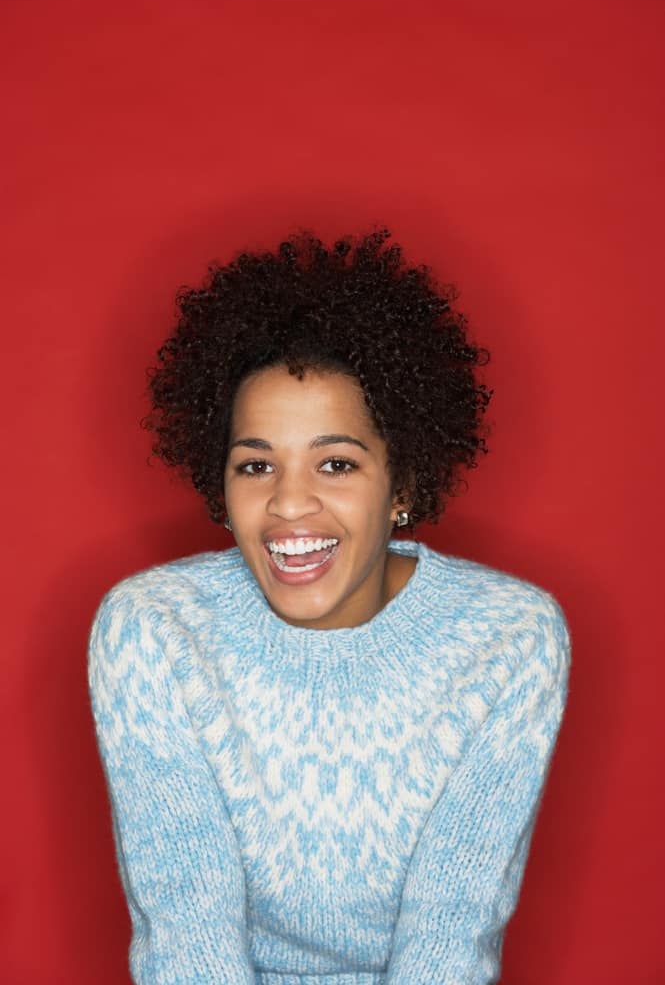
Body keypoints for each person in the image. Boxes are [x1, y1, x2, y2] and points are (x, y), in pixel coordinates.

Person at [87, 229, 571, 985]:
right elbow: (185, 931)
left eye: (336, 463)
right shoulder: (153, 628)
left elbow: (450, 934)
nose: (287, 503)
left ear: (403, 484)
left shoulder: (509, 638)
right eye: (255, 465)